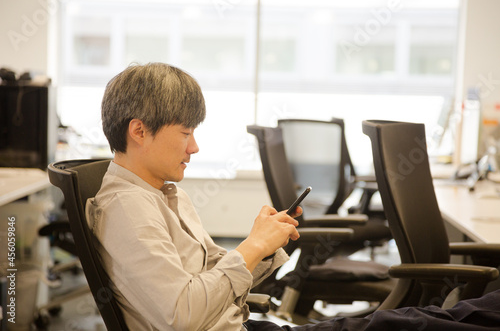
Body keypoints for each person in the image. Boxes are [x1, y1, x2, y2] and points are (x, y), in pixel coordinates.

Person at [87, 62, 500, 331]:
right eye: (185, 132)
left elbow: (213, 275)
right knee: (411, 324)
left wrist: (263, 245)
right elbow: (180, 317)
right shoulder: (127, 208)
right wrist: (250, 249)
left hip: (244, 326)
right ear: (138, 131)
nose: (193, 148)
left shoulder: (163, 194)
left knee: (420, 319)